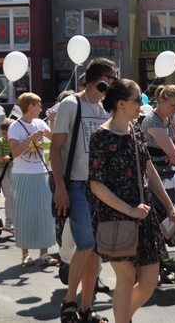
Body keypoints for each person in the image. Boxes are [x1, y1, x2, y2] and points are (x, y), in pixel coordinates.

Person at [89, 79, 175, 323]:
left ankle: (122, 316)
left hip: (144, 214)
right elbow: (96, 184)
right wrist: (128, 209)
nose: (142, 104)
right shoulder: (101, 136)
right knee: (127, 280)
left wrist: (170, 206)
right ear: (121, 103)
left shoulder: (137, 130)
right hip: (116, 217)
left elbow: (149, 170)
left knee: (150, 281)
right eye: (138, 99)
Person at [51, 58, 117, 323]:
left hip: (99, 186)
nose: (114, 84)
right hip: (76, 185)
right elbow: (55, 149)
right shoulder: (70, 104)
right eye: (112, 79)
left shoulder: (105, 109)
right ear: (101, 79)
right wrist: (60, 188)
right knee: (87, 244)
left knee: (96, 250)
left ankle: (87, 308)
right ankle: (69, 301)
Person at [8, 92, 58, 269]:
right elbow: (14, 152)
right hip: (22, 174)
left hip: (40, 172)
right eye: (38, 105)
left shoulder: (40, 122)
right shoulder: (15, 126)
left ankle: (44, 253)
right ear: (30, 106)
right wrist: (30, 138)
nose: (41, 108)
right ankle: (25, 254)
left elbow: (54, 139)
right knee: (24, 214)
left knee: (44, 213)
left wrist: (51, 121)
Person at [140, 84, 175, 172]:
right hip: (152, 169)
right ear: (162, 101)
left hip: (168, 164)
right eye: (173, 105)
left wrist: (172, 156)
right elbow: (174, 154)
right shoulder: (153, 121)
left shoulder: (171, 116)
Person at [0, 118, 15, 229]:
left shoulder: (16, 141)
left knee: (16, 195)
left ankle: (16, 218)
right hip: (1, 169)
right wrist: (3, 158)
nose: (5, 136)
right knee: (9, 195)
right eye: (3, 133)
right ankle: (9, 221)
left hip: (13, 168)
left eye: (8, 133)